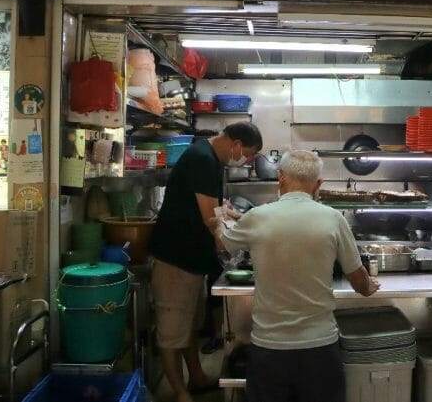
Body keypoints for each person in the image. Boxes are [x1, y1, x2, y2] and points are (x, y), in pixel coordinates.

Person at [214, 150, 380, 402]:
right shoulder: (334, 219)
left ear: (280, 178)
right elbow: (359, 280)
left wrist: (218, 222)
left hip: (269, 348)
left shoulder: (257, 217)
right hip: (320, 348)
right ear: (319, 184)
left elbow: (222, 244)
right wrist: (369, 286)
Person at [149, 121, 263, 402]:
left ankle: (197, 378)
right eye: (246, 153)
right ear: (235, 143)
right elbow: (211, 219)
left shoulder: (208, 157)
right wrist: (231, 245)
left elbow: (217, 208)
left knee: (189, 325)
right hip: (176, 259)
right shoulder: (202, 159)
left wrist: (240, 219)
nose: (245, 159)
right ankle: (180, 393)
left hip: (192, 260)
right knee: (172, 331)